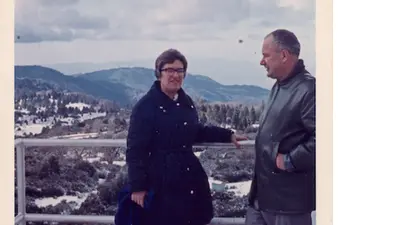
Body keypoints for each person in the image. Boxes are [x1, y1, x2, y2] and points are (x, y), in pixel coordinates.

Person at [124, 48, 247, 225]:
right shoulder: (145, 107)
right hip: (161, 183)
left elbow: (194, 131)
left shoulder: (185, 101)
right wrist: (138, 187)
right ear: (159, 73)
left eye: (180, 70)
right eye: (170, 70)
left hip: (188, 178)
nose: (176, 75)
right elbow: (135, 150)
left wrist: (227, 135)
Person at [245, 29, 316, 225]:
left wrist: (290, 161)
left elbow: (327, 138)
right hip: (262, 199)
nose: (261, 61)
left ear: (284, 55)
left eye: (266, 55)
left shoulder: (309, 89)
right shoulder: (281, 85)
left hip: (288, 206)